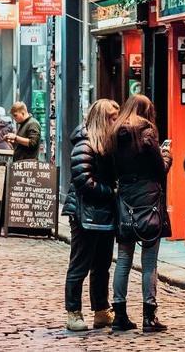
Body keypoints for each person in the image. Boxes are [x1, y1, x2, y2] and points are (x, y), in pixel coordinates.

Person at [111, 94, 171, 333]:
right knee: (149, 261)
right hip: (148, 199)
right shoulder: (147, 130)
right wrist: (167, 155)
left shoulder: (115, 132)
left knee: (123, 259)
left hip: (125, 197)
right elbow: (160, 169)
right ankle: (149, 315)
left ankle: (119, 315)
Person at [62, 99, 120, 332]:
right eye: (112, 117)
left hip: (104, 214)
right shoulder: (85, 144)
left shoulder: (108, 143)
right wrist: (112, 191)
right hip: (84, 214)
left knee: (102, 265)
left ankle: (101, 310)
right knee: (80, 265)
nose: (116, 121)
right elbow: (84, 181)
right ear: (102, 119)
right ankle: (73, 312)